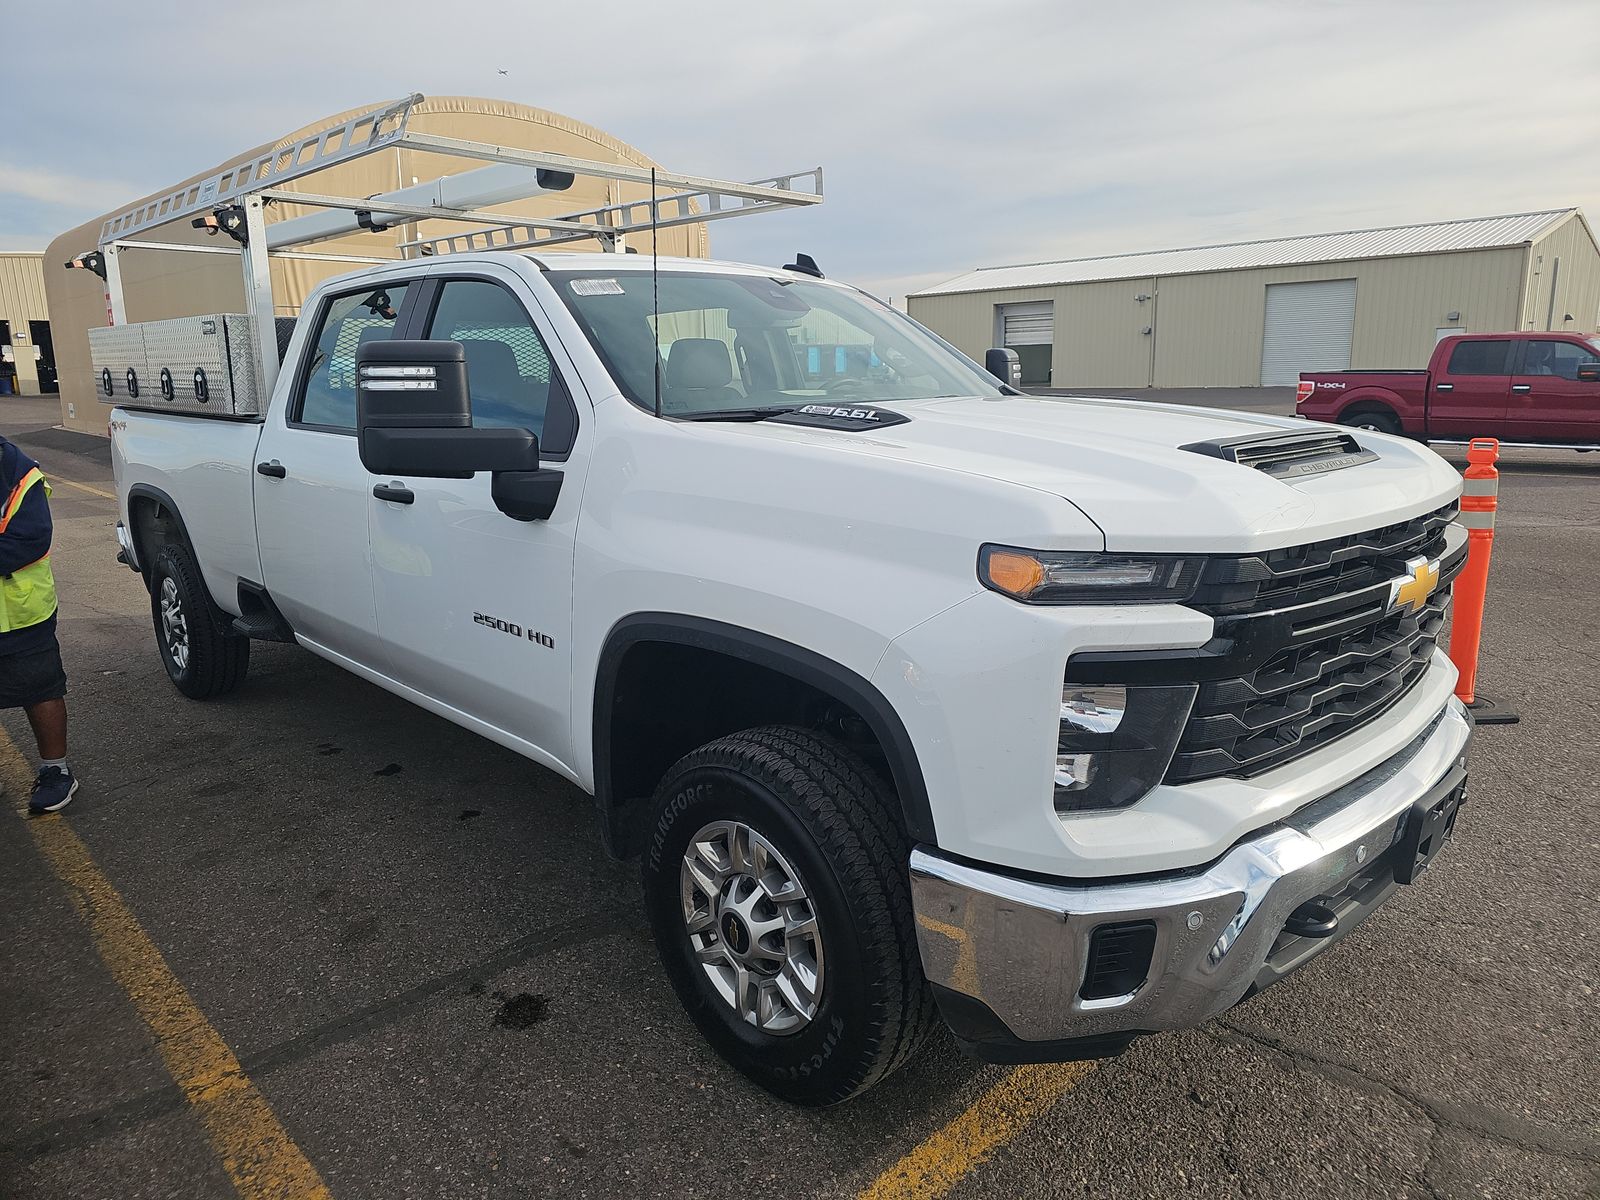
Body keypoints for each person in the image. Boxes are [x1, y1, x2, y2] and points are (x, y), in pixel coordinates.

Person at [0, 435, 75, 813]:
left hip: (21, 613)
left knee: (40, 689)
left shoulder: (19, 475)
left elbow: (28, 541)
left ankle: (56, 771)